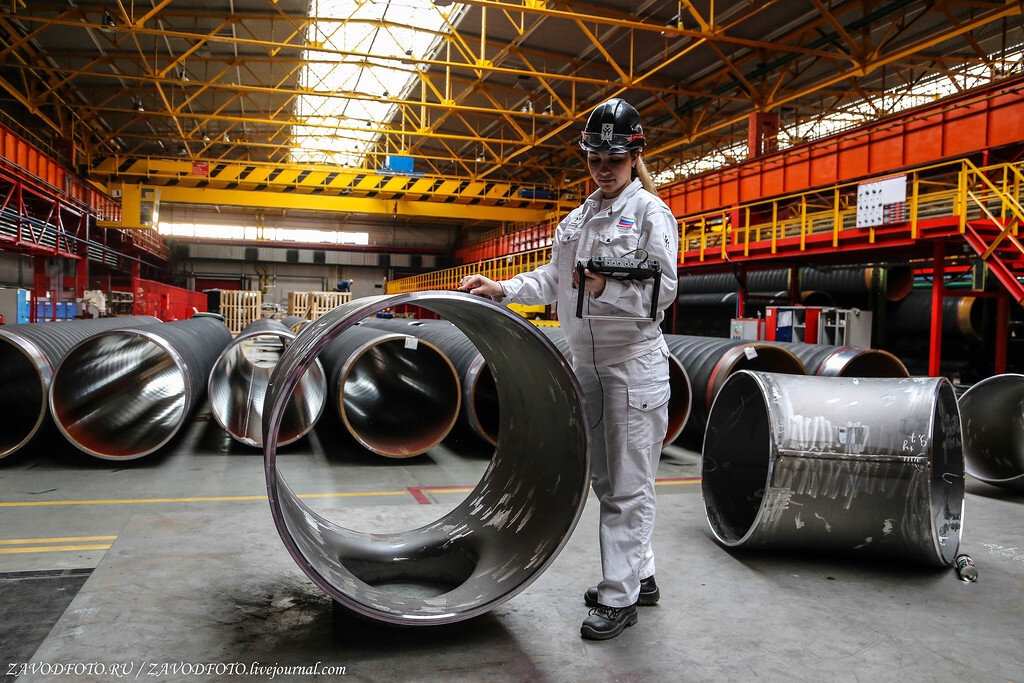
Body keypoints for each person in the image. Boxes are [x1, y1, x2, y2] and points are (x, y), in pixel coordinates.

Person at [458, 98, 678, 641]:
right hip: (587, 364)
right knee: (606, 480)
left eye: (615, 158)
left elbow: (665, 290)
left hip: (633, 365)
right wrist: (505, 289)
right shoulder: (578, 218)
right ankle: (639, 574)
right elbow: (555, 280)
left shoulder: (652, 213)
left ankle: (619, 595)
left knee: (628, 485)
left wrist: (610, 288)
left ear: (635, 156)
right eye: (595, 157)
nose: (604, 167)